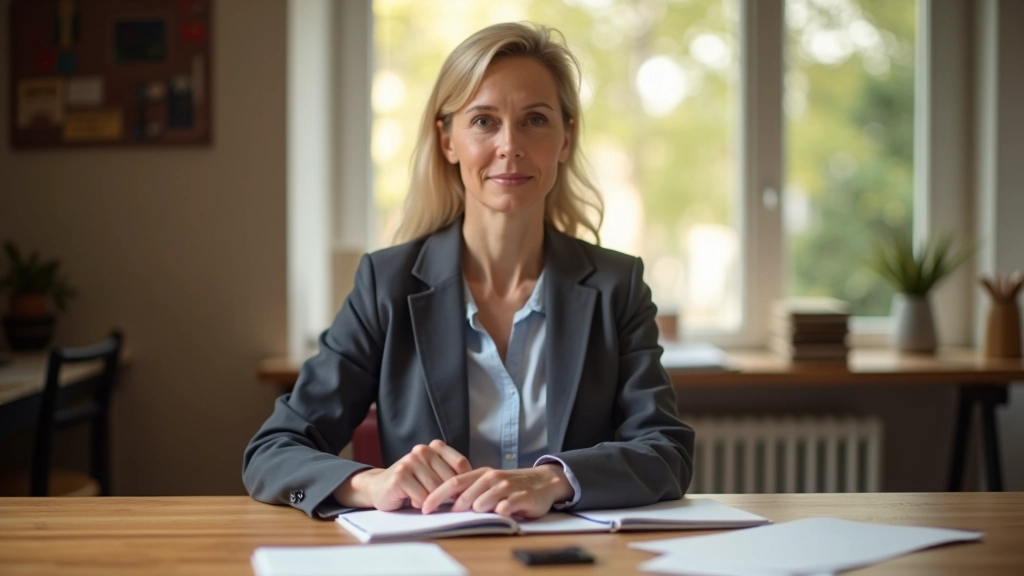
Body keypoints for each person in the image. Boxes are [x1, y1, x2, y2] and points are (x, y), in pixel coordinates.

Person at [243, 21, 694, 520]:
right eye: (484, 121)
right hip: (430, 559)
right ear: (447, 140)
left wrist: (553, 479)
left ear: (566, 139)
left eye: (535, 120)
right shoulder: (385, 285)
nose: (510, 145)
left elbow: (667, 453)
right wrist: (371, 483)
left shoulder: (617, 288)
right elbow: (271, 454)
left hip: (573, 559)